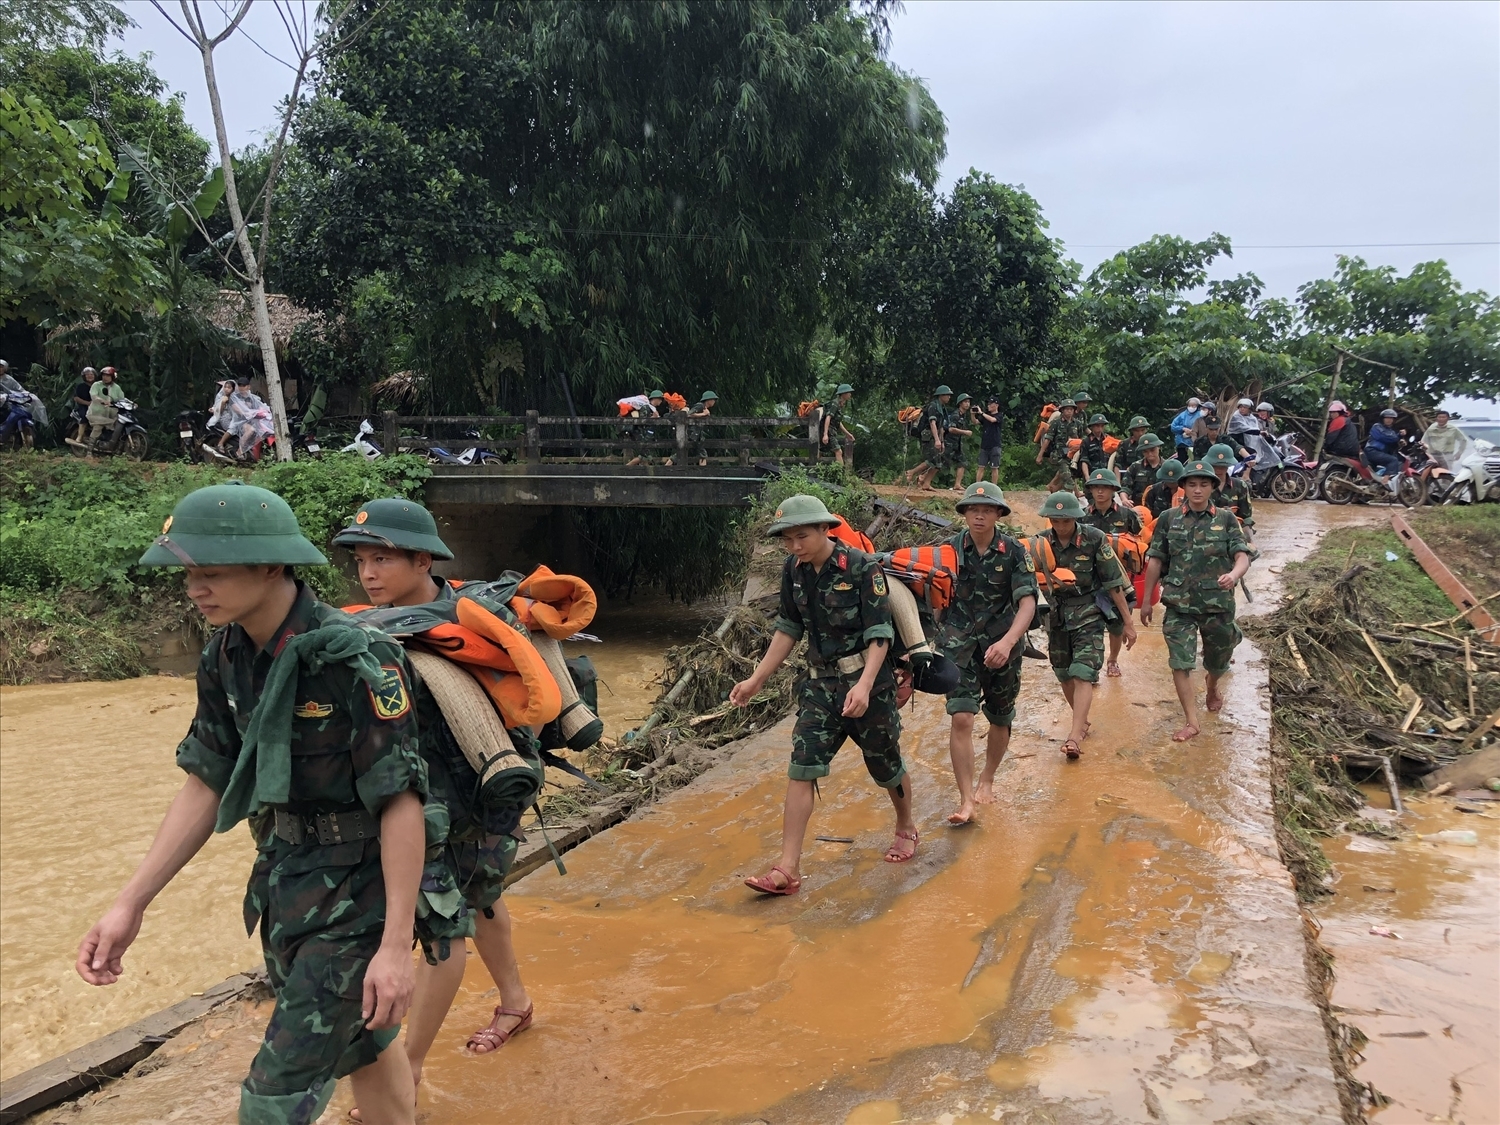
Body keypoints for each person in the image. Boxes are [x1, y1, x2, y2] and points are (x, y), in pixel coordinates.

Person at [75, 482, 428, 1125]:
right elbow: (207, 781)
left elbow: (400, 799)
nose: (194, 589)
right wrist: (130, 902)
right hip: (284, 882)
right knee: (366, 1045)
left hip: (362, 896)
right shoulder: (226, 656)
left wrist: (396, 947)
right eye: (189, 574)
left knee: (272, 1098)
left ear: (271, 565)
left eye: (211, 573)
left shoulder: (358, 658)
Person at [333, 500, 537, 1120]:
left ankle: (411, 1067)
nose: (368, 573)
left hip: (479, 794)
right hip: (420, 804)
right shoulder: (369, 627)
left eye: (383, 558)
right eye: (362, 560)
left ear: (424, 560)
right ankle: (517, 1002)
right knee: (478, 901)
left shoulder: (470, 618)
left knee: (446, 928)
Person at [730, 495, 916, 892]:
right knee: (802, 768)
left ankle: (905, 825)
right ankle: (787, 869)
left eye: (802, 537)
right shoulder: (793, 571)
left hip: (870, 684)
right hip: (820, 686)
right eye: (788, 540)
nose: (795, 546)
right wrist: (756, 680)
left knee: (884, 764)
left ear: (824, 530)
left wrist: (865, 686)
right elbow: (788, 628)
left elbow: (880, 634)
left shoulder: (863, 569)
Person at [937, 482, 1037, 825]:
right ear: (965, 513)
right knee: (962, 716)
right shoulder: (947, 551)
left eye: (987, 509)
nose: (979, 515)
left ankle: (988, 777)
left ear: (998, 514)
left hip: (1001, 644)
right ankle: (966, 800)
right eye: (973, 509)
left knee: (1000, 715)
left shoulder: (1013, 552)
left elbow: (1027, 602)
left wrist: (1008, 642)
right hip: (958, 646)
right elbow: (931, 598)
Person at [1142, 461, 1251, 741]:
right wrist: (1145, 601)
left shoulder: (1226, 518)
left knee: (1218, 660)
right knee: (1180, 662)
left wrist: (1233, 574)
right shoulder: (1168, 518)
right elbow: (1156, 560)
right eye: (1192, 484)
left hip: (1218, 604)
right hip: (1179, 604)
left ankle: (1213, 685)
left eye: (1204, 484)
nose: (1198, 489)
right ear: (1184, 487)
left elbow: (1242, 555)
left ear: (1213, 487)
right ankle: (1192, 721)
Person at [1032, 491, 1135, 760]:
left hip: (1088, 611)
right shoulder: (1040, 543)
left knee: (1083, 671)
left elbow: (1113, 583)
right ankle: (1083, 721)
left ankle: (1075, 735)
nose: (1060, 525)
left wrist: (1128, 622)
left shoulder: (1093, 538)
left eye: (1065, 519)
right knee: (1063, 673)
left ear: (1075, 518)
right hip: (1055, 616)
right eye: (1055, 519)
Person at [1081, 469, 1143, 678]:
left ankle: (1113, 660)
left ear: (1113, 490)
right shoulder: (1083, 516)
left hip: (1120, 578)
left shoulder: (1127, 515)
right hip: (1091, 579)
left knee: (1117, 625)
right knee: (1091, 623)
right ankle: (1091, 664)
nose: (1099, 491)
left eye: (1104, 487)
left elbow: (1139, 544)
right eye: (1095, 487)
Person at [1036, 393, 1087, 492]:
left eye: (1071, 409)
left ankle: (1052, 489)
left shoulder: (1078, 424)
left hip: (1072, 457)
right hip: (1059, 456)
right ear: (1062, 410)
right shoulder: (1056, 423)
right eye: (1067, 409)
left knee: (1072, 476)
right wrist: (1040, 454)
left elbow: (1080, 440)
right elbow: (1048, 439)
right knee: (1069, 482)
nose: (1069, 411)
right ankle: (1066, 503)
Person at [1204, 444, 1255, 541]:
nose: (1219, 469)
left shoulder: (1240, 486)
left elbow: (1246, 517)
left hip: (1233, 532)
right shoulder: (1201, 487)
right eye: (1216, 465)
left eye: (1223, 465)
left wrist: (1248, 538)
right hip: (1206, 533)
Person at [905, 385, 952, 488]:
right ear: (941, 396)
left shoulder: (942, 408)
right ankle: (911, 472)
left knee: (939, 461)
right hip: (927, 435)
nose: (949, 397)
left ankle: (926, 483)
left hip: (935, 436)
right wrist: (936, 440)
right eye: (947, 395)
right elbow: (932, 423)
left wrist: (942, 441)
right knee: (931, 459)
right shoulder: (933, 406)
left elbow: (940, 427)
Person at [84, 366, 125, 448]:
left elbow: (122, 398)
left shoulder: (116, 387)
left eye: (108, 376)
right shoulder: (96, 385)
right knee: (98, 427)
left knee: (120, 424)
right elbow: (94, 396)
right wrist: (102, 400)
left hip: (110, 415)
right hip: (96, 414)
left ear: (112, 377)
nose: (105, 377)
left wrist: (131, 403)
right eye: (104, 375)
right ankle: (89, 451)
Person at [820, 383, 856, 468]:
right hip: (828, 431)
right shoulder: (835, 404)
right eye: (848, 392)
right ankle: (841, 474)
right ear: (843, 394)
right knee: (838, 451)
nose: (850, 394)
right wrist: (825, 434)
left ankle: (824, 472)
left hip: (832, 430)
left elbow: (838, 422)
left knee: (821, 450)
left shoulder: (840, 405)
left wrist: (847, 434)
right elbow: (828, 417)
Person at [1123, 433, 1165, 503]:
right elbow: (1125, 487)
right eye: (1145, 451)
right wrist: (1124, 499)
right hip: (1139, 509)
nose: (1149, 454)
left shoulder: (1167, 467)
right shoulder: (1135, 467)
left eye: (1152, 450)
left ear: (1159, 447)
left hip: (1162, 509)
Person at [946, 393, 975, 491]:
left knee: (962, 462)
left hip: (956, 443)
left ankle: (957, 484)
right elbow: (951, 429)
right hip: (948, 443)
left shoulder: (963, 415)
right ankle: (921, 477)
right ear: (960, 403)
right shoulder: (955, 415)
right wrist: (965, 432)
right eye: (965, 402)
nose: (968, 404)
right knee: (937, 463)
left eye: (968, 402)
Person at [1364, 408, 1404, 476]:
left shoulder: (1392, 432)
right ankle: (1387, 482)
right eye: (1387, 418)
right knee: (1393, 460)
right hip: (1372, 451)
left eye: (1391, 418)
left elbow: (1393, 442)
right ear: (1382, 419)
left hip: (1380, 453)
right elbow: (1384, 437)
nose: (1389, 420)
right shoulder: (1376, 426)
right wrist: (1398, 437)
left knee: (1398, 460)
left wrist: (1400, 442)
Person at [975, 396, 1003, 484]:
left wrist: (981, 413)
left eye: (991, 404)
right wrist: (973, 414)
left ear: (996, 405)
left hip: (995, 445)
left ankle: (994, 486)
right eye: (988, 404)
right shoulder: (986, 416)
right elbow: (975, 422)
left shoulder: (999, 415)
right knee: (981, 466)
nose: (989, 405)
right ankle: (977, 484)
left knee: (994, 467)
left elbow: (993, 420)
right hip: (985, 445)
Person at [1170, 397, 1203, 462]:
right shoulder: (1182, 415)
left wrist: (1193, 432)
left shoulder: (1200, 415)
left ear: (1197, 406)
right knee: (1182, 460)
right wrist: (1183, 428)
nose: (1191, 407)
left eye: (1193, 405)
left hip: (1196, 443)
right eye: (1189, 405)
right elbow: (1173, 426)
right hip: (1182, 442)